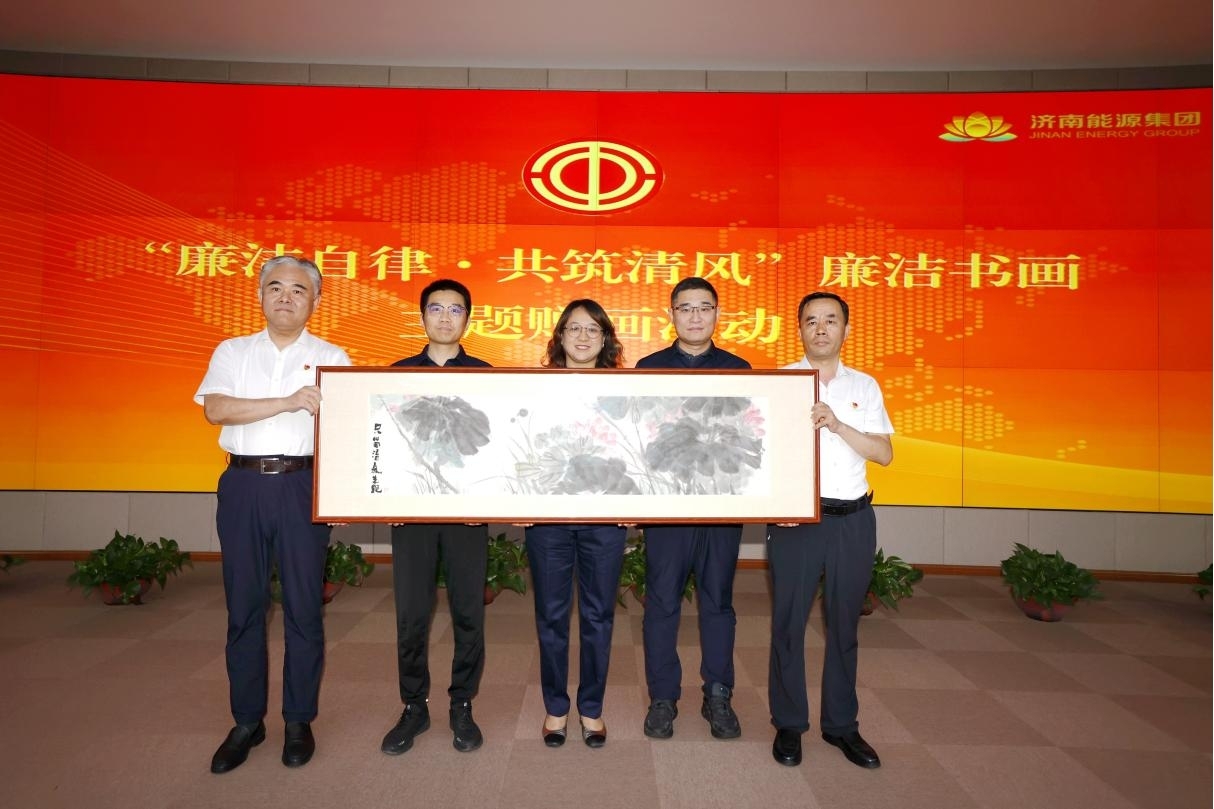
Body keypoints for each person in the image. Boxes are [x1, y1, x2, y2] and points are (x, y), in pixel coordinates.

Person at [195, 255, 351, 774]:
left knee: (304, 608)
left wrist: (341, 494)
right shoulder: (232, 351)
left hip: (302, 487)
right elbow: (216, 409)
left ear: (316, 301)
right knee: (244, 606)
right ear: (260, 295)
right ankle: (247, 721)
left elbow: (346, 430)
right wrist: (287, 401)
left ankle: (299, 720)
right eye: (276, 287)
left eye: (299, 290)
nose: (286, 297)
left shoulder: (332, 357)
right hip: (242, 484)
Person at [767, 291, 894, 769]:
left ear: (846, 329)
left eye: (830, 320)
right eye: (811, 321)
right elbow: (762, 456)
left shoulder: (865, 385)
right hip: (799, 520)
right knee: (788, 624)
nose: (820, 329)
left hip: (853, 521)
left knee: (844, 626)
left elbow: (883, 454)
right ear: (799, 328)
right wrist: (777, 505)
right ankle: (789, 723)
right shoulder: (782, 383)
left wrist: (838, 425)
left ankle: (841, 726)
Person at [635, 277, 751, 741]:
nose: (696, 316)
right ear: (671, 315)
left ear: (718, 314)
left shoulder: (740, 370)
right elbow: (640, 442)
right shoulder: (648, 369)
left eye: (705, 307)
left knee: (717, 603)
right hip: (667, 511)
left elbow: (751, 439)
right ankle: (663, 697)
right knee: (662, 603)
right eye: (686, 308)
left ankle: (718, 694)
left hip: (721, 507)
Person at [380, 278, 492, 757]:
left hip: (468, 514)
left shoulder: (487, 376)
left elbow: (494, 448)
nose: (446, 317)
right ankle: (414, 705)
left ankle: (462, 702)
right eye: (436, 308)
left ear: (468, 318)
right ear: (422, 315)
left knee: (468, 613)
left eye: (455, 309)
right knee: (411, 615)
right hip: (412, 514)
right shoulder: (396, 376)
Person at [525, 299, 629, 749]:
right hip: (548, 520)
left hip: (605, 520)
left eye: (592, 330)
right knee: (551, 614)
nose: (583, 337)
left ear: (605, 339)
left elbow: (636, 455)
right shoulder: (536, 389)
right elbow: (521, 449)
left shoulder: (625, 394)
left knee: (598, 615)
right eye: (574, 328)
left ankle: (591, 707)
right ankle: (555, 706)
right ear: (560, 337)